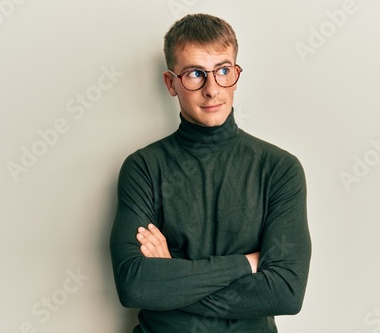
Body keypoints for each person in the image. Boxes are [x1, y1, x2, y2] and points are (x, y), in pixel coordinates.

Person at [110, 13, 311, 333]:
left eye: (223, 70)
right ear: (171, 83)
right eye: (194, 74)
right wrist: (246, 264)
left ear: (236, 73)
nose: (212, 89)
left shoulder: (279, 169)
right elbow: (136, 286)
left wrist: (171, 280)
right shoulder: (143, 168)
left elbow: (286, 293)